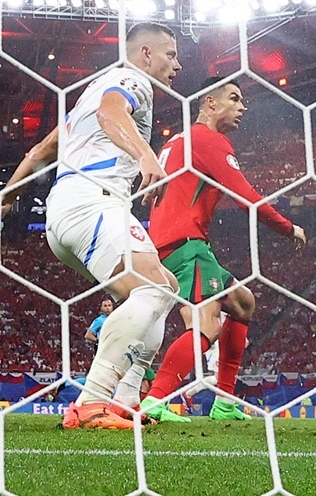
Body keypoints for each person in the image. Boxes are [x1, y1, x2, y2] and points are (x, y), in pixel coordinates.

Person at [0, 22, 182, 429]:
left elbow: (41, 151)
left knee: (164, 288)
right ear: (146, 54)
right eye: (170, 54)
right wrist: (145, 155)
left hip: (64, 217)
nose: (178, 64)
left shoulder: (86, 97)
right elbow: (110, 113)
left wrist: (7, 197)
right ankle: (93, 401)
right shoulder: (130, 80)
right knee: (154, 289)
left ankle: (125, 399)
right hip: (92, 201)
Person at [140, 77, 306, 423]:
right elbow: (246, 197)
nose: (242, 107)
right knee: (207, 326)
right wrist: (287, 227)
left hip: (174, 241)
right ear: (210, 104)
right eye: (234, 98)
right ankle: (154, 400)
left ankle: (224, 402)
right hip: (186, 245)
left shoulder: (176, 142)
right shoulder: (209, 140)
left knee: (243, 302)